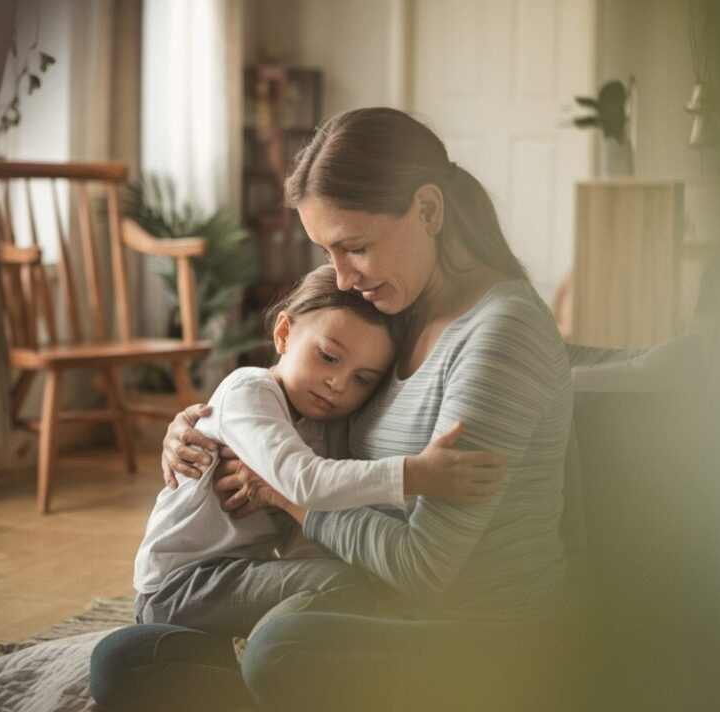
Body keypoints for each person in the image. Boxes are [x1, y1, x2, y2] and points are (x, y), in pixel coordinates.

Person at [94, 107, 575, 711]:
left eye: (355, 247)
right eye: (327, 251)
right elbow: (300, 399)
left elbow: (425, 568)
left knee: (280, 650)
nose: (342, 278)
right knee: (125, 659)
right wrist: (207, 423)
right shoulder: (397, 312)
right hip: (371, 601)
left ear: (428, 211)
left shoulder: (502, 330)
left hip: (468, 624)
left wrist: (279, 491)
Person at [130, 265, 503, 637]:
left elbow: (303, 534)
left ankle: (261, 653)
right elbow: (303, 483)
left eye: (362, 379)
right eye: (328, 356)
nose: (338, 384)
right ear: (284, 333)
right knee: (343, 586)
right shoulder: (249, 391)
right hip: (177, 586)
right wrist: (416, 474)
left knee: (345, 583)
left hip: (238, 575)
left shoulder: (326, 422)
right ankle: (252, 656)